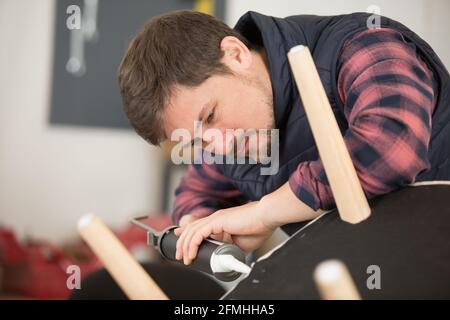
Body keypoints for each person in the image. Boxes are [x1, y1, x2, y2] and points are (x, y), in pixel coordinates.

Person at [118, 10, 449, 266]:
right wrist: (205, 229)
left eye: (210, 116)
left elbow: (391, 150)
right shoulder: (229, 139)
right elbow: (194, 191)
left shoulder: (365, 44)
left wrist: (265, 213)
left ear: (235, 54)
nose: (217, 147)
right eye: (195, 142)